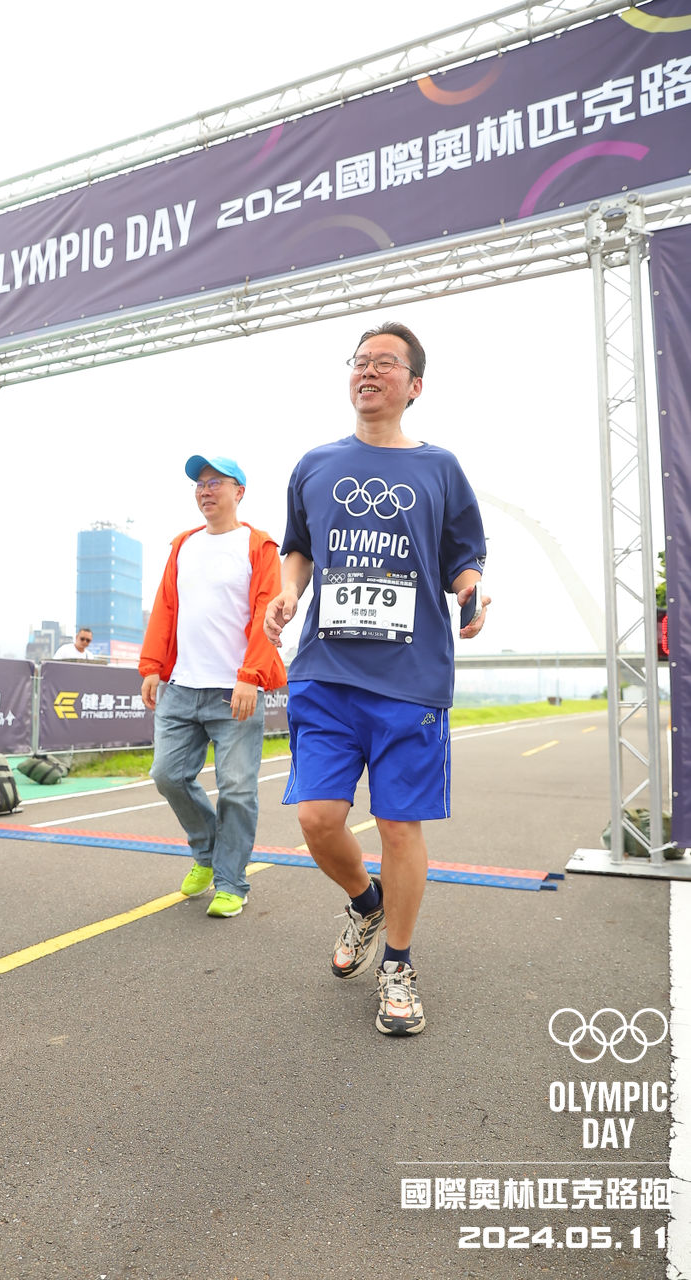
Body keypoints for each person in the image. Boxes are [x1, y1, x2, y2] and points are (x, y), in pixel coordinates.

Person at [264, 321, 489, 1036]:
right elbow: (298, 548)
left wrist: (471, 591)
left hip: (409, 677)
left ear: (414, 385)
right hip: (325, 673)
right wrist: (288, 591)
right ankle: (367, 903)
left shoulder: (440, 468)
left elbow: (464, 555)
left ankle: (397, 961)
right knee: (317, 818)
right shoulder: (315, 463)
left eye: (385, 363)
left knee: (397, 824)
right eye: (360, 361)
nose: (368, 371)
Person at [140, 455, 286, 918]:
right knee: (167, 775)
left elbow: (266, 614)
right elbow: (166, 608)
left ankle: (231, 883)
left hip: (234, 689)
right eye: (199, 484)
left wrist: (249, 676)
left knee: (237, 789)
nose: (205, 490)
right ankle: (207, 852)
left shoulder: (258, 546)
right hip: (183, 686)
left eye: (216, 482)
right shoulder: (183, 545)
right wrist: (152, 666)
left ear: (239, 492)